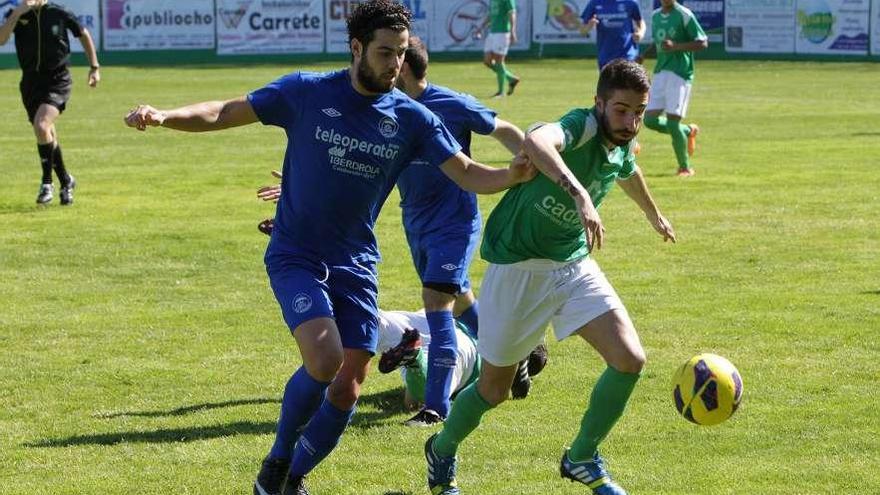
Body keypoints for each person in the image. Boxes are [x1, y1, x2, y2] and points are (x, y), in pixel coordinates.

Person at [123, 2, 534, 495]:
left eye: (402, 54)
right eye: (385, 52)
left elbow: (466, 172)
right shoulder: (307, 91)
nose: (394, 64)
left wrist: (511, 174)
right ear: (356, 48)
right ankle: (277, 461)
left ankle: (290, 479)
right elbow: (225, 111)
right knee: (324, 360)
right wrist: (165, 115)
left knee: (348, 385)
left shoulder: (412, 118)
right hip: (296, 252)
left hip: (356, 261)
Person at [423, 59, 676, 495]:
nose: (631, 121)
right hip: (518, 269)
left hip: (572, 265)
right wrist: (578, 194)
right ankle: (441, 449)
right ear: (599, 103)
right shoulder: (582, 125)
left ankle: (581, 457)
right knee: (493, 390)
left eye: (639, 111)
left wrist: (653, 214)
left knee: (630, 359)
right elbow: (539, 138)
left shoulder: (620, 141)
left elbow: (626, 170)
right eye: (621, 110)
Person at [393, 35, 525, 426]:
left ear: (402, 67)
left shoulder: (451, 102)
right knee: (463, 299)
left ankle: (435, 407)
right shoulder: (388, 108)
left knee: (437, 304)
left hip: (454, 223)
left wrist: (529, 159)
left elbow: (503, 128)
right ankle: (511, 360)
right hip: (415, 222)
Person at [0, 0, 100, 205]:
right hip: (30, 83)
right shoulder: (17, 14)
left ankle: (47, 183)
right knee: (45, 133)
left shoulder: (58, 12)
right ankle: (66, 180)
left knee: (42, 125)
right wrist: (17, 13)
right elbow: (1, 40)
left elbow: (83, 33)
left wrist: (94, 67)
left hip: (57, 80)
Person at [639, 0, 707, 177]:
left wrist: (677, 47)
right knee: (649, 120)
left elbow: (702, 42)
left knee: (672, 122)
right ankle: (688, 131)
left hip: (680, 73)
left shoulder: (684, 14)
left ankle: (685, 167)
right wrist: (643, 56)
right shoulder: (655, 16)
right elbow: (659, 43)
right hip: (661, 72)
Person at [579, 0, 645, 70]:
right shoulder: (594, 3)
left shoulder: (631, 2)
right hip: (605, 56)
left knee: (626, 80)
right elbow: (582, 31)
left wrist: (641, 33)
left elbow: (640, 21)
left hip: (628, 54)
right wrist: (589, 26)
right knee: (608, 80)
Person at [481, 0, 520, 97]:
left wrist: (513, 31)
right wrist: (481, 27)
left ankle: (500, 92)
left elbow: (512, 13)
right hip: (492, 32)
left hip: (502, 33)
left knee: (499, 61)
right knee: (487, 61)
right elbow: (491, 15)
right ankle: (511, 78)